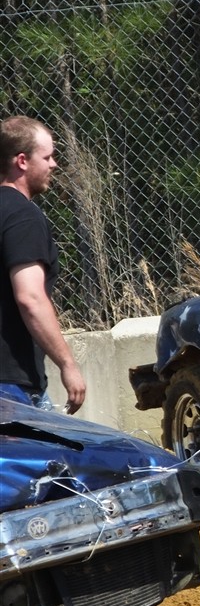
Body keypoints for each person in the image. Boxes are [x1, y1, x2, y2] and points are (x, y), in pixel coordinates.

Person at [0, 115, 86, 413]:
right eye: (47, 157)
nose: (54, 164)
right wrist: (68, 364)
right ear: (22, 161)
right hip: (11, 387)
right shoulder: (23, 216)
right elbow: (31, 298)